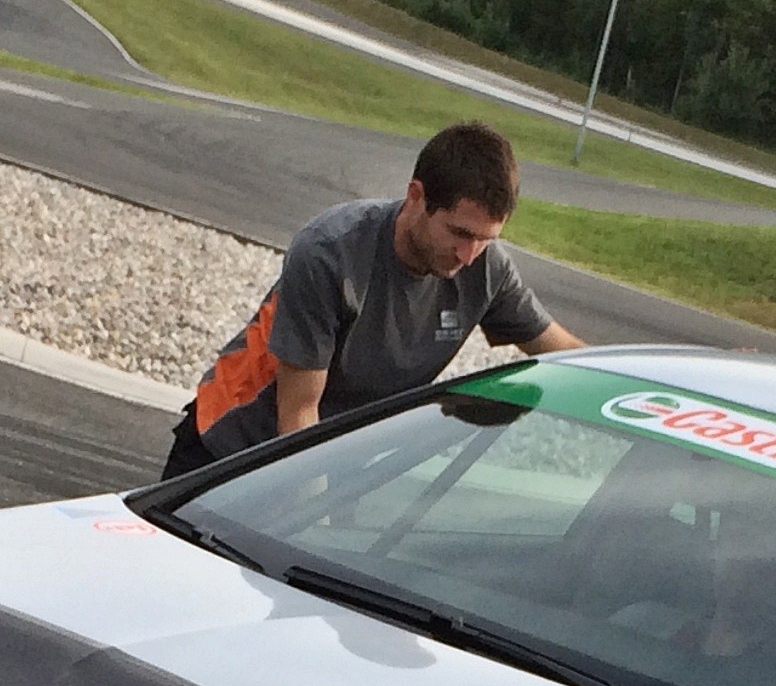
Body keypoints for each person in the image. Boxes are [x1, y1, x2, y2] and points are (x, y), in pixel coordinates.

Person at [164, 121, 584, 477]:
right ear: (416, 196)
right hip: (227, 451)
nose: (468, 255)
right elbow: (297, 415)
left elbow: (567, 354)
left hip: (327, 458)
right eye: (459, 233)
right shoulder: (330, 252)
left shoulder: (485, 268)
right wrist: (316, 520)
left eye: (486, 239)